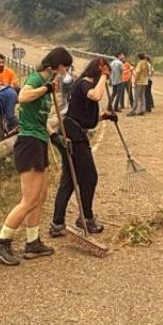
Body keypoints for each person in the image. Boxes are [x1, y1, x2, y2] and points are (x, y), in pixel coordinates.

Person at [0, 47, 74, 265]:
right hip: (28, 142)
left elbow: (41, 117)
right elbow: (23, 96)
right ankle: (2, 241)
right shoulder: (37, 79)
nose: (66, 71)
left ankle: (32, 242)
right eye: (65, 66)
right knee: (28, 200)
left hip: (40, 140)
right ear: (57, 65)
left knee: (41, 195)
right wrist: (44, 89)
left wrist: (55, 137)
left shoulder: (49, 84)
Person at [50, 57, 117, 237]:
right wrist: (104, 77)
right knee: (90, 177)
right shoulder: (85, 84)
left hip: (73, 132)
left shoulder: (83, 85)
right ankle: (86, 218)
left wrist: (104, 116)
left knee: (70, 180)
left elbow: (84, 114)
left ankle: (57, 222)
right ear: (99, 71)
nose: (106, 80)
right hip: (74, 137)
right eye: (105, 75)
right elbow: (95, 95)